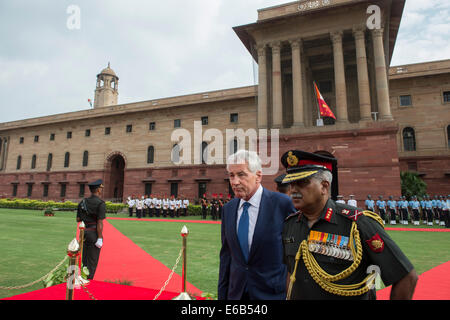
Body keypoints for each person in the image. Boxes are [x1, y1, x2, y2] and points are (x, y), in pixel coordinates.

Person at [280, 150, 418, 300]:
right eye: (291, 184)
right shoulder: (290, 224)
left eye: (302, 183)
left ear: (324, 187)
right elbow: (291, 272)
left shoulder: (358, 223)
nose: (293, 190)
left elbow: (406, 276)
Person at [218, 150, 296, 300]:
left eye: (241, 174)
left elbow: (295, 255)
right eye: (231, 175)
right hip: (236, 295)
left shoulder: (282, 204)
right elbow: (226, 258)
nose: (234, 182)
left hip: (272, 295)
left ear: (258, 176)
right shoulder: (228, 209)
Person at [76, 179, 106, 280]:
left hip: (84, 233)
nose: (101, 191)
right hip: (94, 233)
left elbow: (78, 219)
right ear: (97, 190)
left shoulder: (82, 202)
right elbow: (100, 222)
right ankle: (88, 282)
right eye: (100, 189)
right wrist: (100, 238)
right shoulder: (100, 203)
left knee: (85, 259)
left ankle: (82, 279)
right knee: (92, 262)